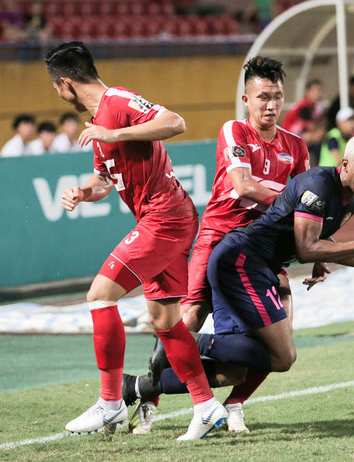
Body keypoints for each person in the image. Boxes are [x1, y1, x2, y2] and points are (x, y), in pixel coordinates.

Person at [44, 41, 225, 441]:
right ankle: (207, 406)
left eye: (56, 87)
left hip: (165, 217)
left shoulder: (118, 101)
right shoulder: (98, 123)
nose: (58, 94)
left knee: (100, 295)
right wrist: (82, 192)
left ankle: (110, 402)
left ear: (66, 83)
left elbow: (175, 122)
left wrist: (115, 131)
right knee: (165, 321)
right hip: (163, 219)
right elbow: (104, 180)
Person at [123, 56, 311, 435]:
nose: (271, 105)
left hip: (261, 251)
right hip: (218, 238)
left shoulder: (296, 146)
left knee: (280, 342)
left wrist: (317, 246)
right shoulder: (234, 131)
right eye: (263, 97)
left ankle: (233, 403)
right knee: (190, 318)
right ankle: (150, 397)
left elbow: (308, 210)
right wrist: (293, 203)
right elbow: (244, 186)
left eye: (277, 96)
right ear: (246, 99)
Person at [189, 134, 354, 391]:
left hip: (261, 267)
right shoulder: (317, 185)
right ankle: (183, 341)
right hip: (242, 261)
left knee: (235, 370)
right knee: (281, 355)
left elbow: (318, 238)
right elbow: (307, 249)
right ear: (345, 164)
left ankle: (152, 384)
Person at [281, 79, 326, 166]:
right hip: (288, 137)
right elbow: (311, 126)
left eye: (321, 91)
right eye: (317, 91)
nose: (319, 94)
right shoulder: (304, 106)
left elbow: (324, 122)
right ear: (308, 92)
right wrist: (320, 130)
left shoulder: (316, 107)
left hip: (298, 135)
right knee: (316, 137)